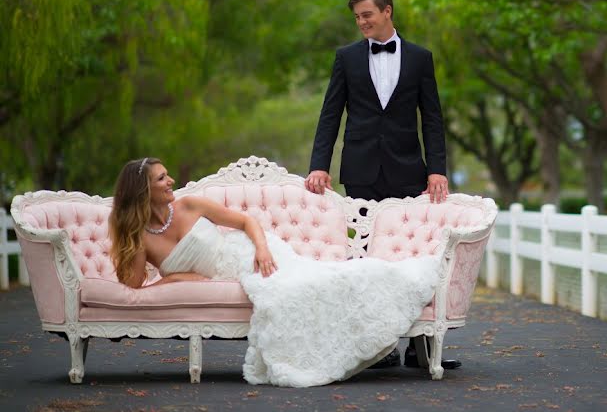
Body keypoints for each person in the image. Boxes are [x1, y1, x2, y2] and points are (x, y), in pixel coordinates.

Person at [108, 157, 441, 388]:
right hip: (230, 275)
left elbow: (245, 222)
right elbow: (135, 284)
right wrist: (174, 275)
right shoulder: (141, 238)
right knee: (295, 292)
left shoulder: (189, 205)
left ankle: (392, 278)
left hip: (252, 253)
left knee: (319, 280)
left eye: (167, 175)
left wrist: (263, 248)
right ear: (142, 190)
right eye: (161, 179)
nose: (171, 182)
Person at [305, 0, 460, 370]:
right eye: (357, 17)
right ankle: (376, 346)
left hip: (409, 170)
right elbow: (330, 114)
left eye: (367, 15)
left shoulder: (421, 59)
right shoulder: (346, 58)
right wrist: (318, 164)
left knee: (413, 257)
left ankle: (419, 348)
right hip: (360, 170)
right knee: (366, 258)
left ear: (387, 11)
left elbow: (433, 118)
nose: (362, 23)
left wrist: (437, 169)